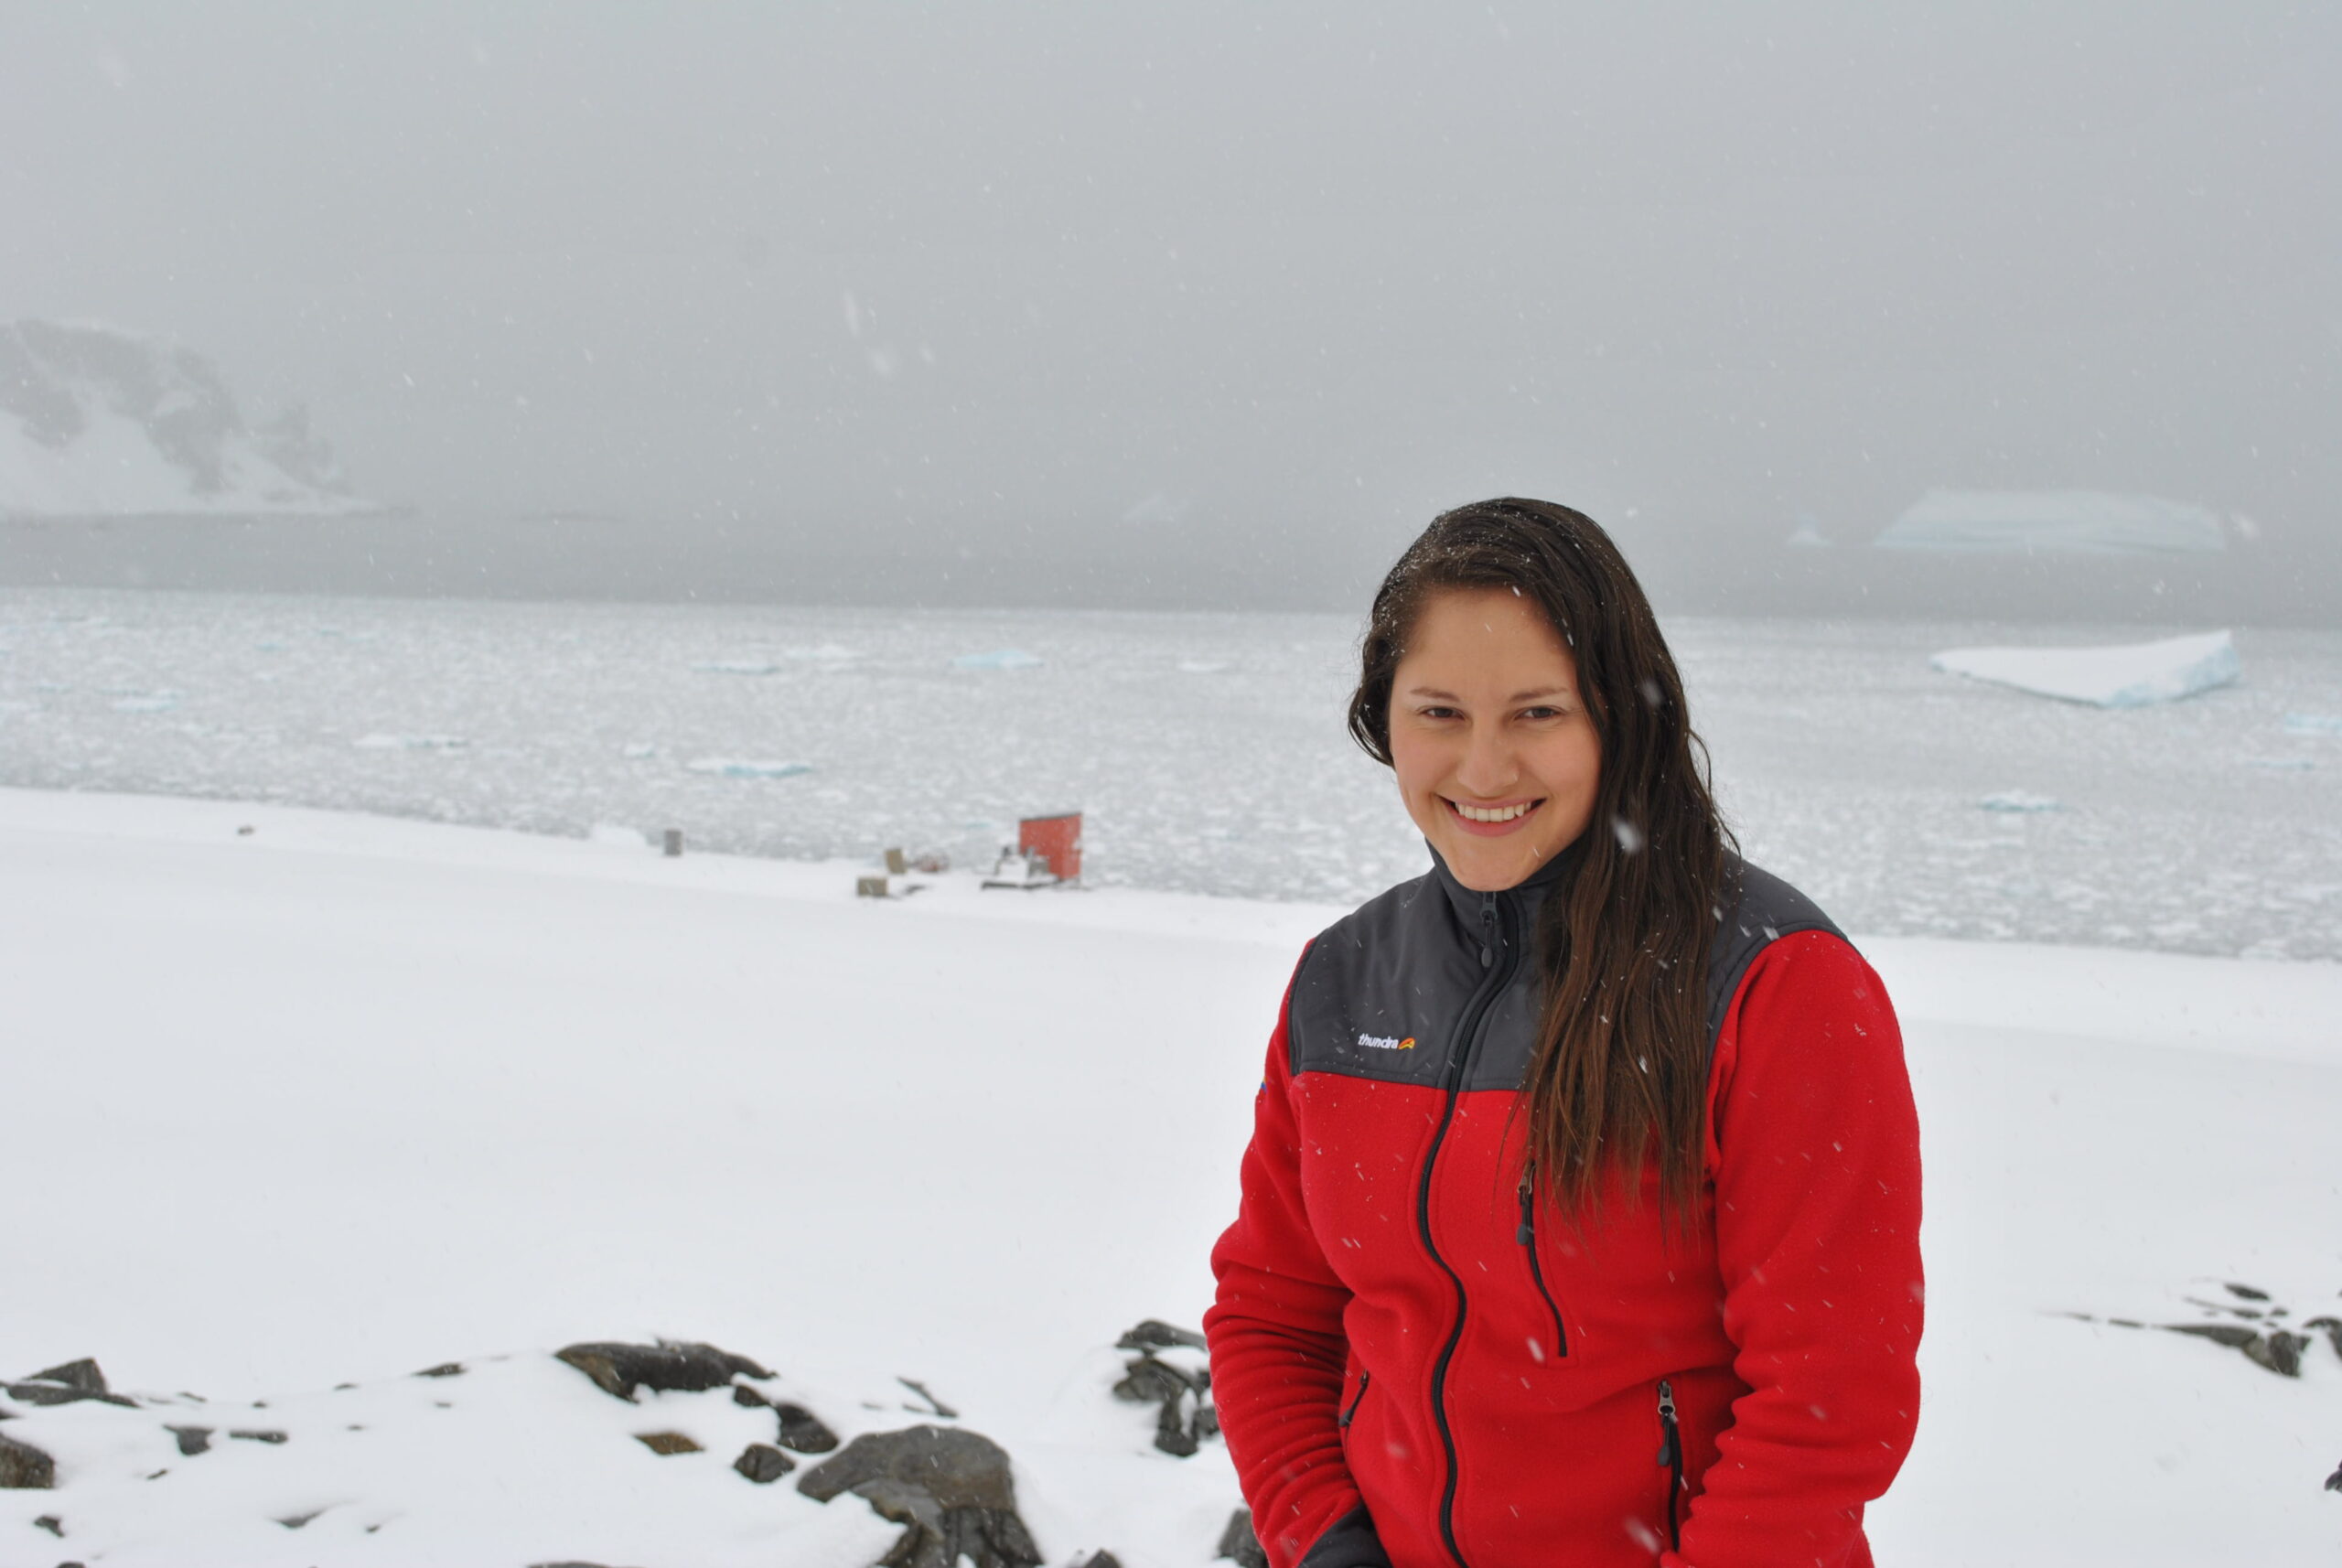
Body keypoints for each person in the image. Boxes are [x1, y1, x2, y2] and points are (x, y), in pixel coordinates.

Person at [1204, 499, 1923, 1568]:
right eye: (1439, 712)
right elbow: (1272, 1314)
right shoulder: (1345, 981)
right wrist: (1326, 1539)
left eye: (1536, 713)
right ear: (1382, 717)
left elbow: (1827, 1397)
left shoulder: (1774, 984)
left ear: (1620, 717)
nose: (1483, 769)